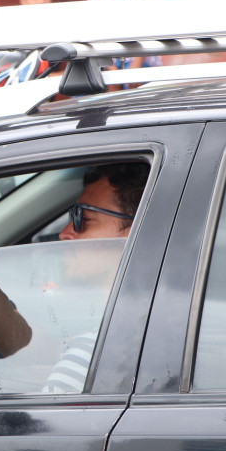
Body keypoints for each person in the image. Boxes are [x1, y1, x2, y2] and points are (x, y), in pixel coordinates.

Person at [43, 162, 149, 392]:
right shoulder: (156, 328)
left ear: (134, 234)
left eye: (83, 219)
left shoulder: (94, 357)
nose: (64, 233)